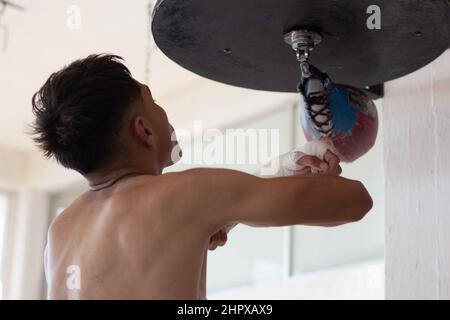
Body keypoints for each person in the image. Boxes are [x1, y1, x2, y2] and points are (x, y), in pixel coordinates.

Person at [31, 54, 373, 299]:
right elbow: (355, 201)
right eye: (153, 102)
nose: (165, 113)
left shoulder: (62, 229)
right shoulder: (186, 192)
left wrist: (242, 200)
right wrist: (324, 163)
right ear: (144, 131)